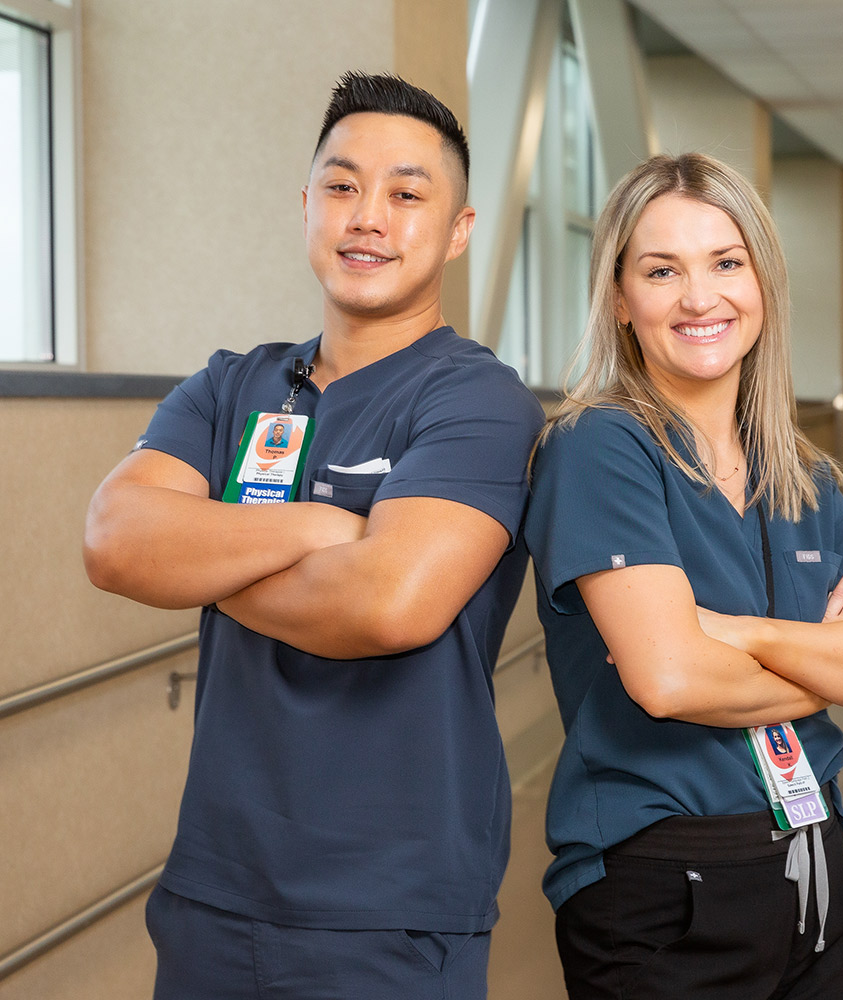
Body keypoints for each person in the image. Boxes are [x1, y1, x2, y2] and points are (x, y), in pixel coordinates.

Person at [84, 71, 544, 1000]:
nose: (367, 217)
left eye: (407, 195)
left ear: (458, 229)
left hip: (390, 911)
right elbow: (115, 539)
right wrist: (321, 527)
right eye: (341, 187)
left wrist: (204, 555)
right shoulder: (230, 386)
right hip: (214, 892)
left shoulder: (480, 402)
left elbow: (387, 605)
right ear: (305, 206)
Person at [524, 152, 843, 1000]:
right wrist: (828, 660)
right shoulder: (602, 448)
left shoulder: (802, 475)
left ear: (764, 284)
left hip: (815, 864)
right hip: (667, 886)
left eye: (726, 263)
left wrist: (739, 634)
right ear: (622, 300)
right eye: (662, 271)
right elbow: (670, 679)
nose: (700, 298)